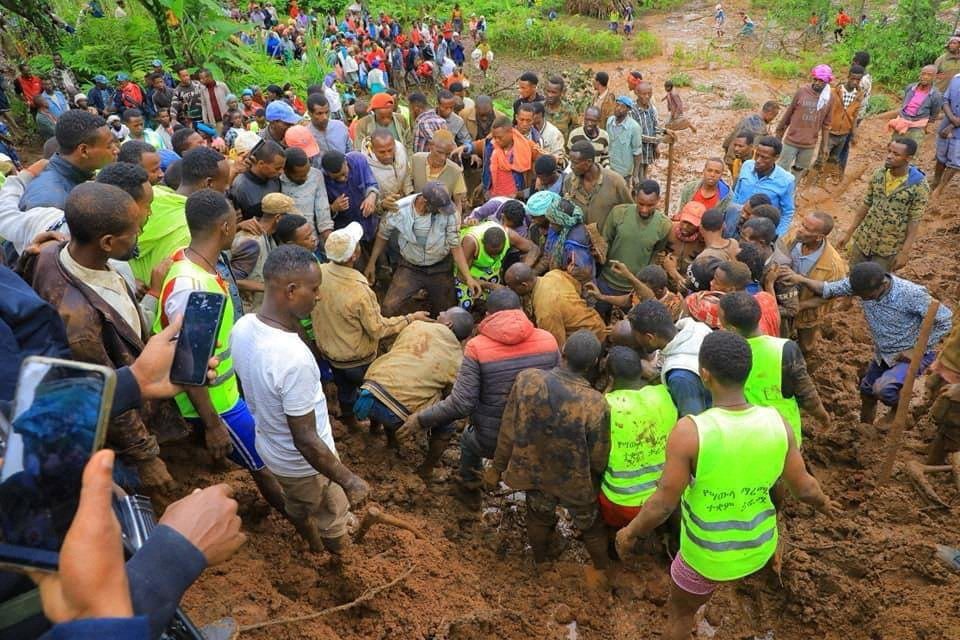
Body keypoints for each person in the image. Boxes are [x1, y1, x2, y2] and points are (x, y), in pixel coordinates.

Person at [615, 330, 840, 640]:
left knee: (680, 614)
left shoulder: (691, 431)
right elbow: (805, 489)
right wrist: (825, 504)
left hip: (706, 555)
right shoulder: (777, 422)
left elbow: (664, 504)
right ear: (746, 372)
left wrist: (630, 533)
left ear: (704, 374)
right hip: (759, 546)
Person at [25, 179, 180, 491]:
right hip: (110, 443)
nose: (140, 235)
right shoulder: (79, 323)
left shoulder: (51, 250)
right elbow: (106, 391)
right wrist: (145, 457)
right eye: (135, 230)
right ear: (107, 243)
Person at [230, 244, 369, 555]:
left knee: (298, 502)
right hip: (304, 466)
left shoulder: (243, 327)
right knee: (331, 512)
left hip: (270, 447)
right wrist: (350, 480)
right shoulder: (293, 359)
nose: (318, 296)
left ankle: (308, 532)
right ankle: (335, 551)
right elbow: (306, 439)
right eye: (315, 289)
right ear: (291, 291)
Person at [154, 188, 287, 514]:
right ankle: (314, 535)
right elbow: (190, 366)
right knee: (265, 467)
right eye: (235, 221)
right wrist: (213, 424)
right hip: (217, 402)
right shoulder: (198, 289)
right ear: (224, 228)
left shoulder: (184, 261)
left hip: (219, 393)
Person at [399, 288, 559, 508]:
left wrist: (420, 419)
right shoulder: (548, 340)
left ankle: (468, 489)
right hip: (539, 438)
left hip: (492, 440)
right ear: (521, 310)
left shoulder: (477, 347)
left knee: (468, 440)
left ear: (487, 316)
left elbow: (462, 403)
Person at [485, 330, 611, 573]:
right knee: (591, 526)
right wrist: (595, 480)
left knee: (538, 517)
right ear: (594, 364)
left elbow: (508, 428)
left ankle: (541, 564)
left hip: (534, 471)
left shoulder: (527, 380)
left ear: (562, 352)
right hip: (574, 480)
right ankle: (602, 570)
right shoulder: (595, 403)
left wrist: (496, 468)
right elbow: (599, 456)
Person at [786, 261, 953, 424]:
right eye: (858, 294)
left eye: (866, 295)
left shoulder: (910, 294)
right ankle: (864, 430)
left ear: (882, 285)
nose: (862, 298)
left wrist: (916, 350)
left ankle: (901, 412)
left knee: (884, 389)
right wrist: (801, 279)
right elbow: (828, 289)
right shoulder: (860, 285)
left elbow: (945, 319)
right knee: (867, 392)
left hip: (911, 354)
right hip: (884, 353)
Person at [314, 222, 429, 431]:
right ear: (354, 255)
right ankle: (375, 427)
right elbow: (378, 329)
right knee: (372, 391)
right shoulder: (359, 291)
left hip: (331, 355)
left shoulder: (318, 273)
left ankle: (351, 424)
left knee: (345, 391)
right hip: (358, 358)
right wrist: (411, 318)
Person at [357, 306, 474, 473]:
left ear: (448, 324)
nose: (439, 312)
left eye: (443, 313)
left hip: (367, 393)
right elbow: (451, 398)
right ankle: (426, 471)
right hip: (397, 415)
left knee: (393, 373)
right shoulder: (458, 359)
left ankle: (379, 433)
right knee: (447, 422)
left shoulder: (416, 326)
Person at [719, 291, 830, 445]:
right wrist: (823, 417)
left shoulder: (722, 354)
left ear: (730, 327)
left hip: (744, 438)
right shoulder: (785, 349)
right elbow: (806, 393)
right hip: (784, 435)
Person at [598, 346, 679, 529]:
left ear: (610, 378)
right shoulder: (664, 395)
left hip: (620, 501)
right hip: (662, 498)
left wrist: (608, 389)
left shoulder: (606, 405)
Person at [129, 146, 231, 284]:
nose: (227, 188)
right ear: (209, 183)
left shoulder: (152, 196)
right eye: (225, 183)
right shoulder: (194, 228)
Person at [367, 182, 469, 318]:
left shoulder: (450, 213)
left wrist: (468, 277)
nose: (442, 212)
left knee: (447, 313)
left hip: (440, 267)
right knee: (388, 308)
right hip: (410, 267)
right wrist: (371, 263)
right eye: (439, 209)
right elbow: (382, 235)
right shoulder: (398, 209)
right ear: (425, 202)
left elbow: (455, 247)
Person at [837, 137, 928, 271]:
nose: (889, 156)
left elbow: (914, 221)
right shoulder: (879, 175)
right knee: (854, 276)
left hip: (888, 248)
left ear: (908, 158)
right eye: (889, 151)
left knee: (875, 285)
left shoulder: (919, 186)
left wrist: (904, 253)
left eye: (896, 154)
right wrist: (848, 233)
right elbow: (866, 204)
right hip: (864, 240)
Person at [774, 212, 847, 352]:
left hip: (807, 312)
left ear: (819, 237)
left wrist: (799, 306)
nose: (800, 229)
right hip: (783, 300)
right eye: (802, 224)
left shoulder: (833, 265)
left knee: (806, 346)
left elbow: (828, 296)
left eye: (807, 229)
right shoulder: (793, 237)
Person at [629, 299, 713, 416]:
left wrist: (654, 377)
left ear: (650, 338)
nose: (635, 340)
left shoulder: (680, 376)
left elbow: (693, 420)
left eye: (636, 336)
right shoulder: (698, 328)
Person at [20, 110, 118, 210]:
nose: (116, 150)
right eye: (109, 145)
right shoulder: (51, 205)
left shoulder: (72, 178)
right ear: (84, 151)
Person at [599, 179, 671, 305]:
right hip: (607, 281)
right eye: (641, 204)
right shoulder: (619, 213)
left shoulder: (664, 225)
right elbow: (604, 243)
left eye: (650, 205)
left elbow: (656, 254)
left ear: (658, 200)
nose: (644, 210)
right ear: (635, 197)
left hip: (635, 288)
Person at [504, 261, 607, 347]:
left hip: (591, 340)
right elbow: (577, 287)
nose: (510, 290)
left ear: (524, 285)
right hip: (596, 323)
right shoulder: (554, 274)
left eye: (512, 288)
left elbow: (556, 345)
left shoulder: (545, 310)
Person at [230, 192, 292, 310]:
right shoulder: (252, 243)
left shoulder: (268, 236)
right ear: (278, 218)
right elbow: (231, 280)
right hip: (246, 311)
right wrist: (268, 288)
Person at [775, 65, 834, 180]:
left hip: (809, 144)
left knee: (798, 171)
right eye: (815, 79)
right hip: (792, 140)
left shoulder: (829, 98)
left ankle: (790, 193)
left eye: (821, 81)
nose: (817, 83)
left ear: (827, 82)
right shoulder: (802, 92)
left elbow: (826, 125)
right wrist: (779, 132)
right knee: (781, 169)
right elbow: (789, 113)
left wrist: (825, 146)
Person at [731, 135, 796, 236]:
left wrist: (776, 236)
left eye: (764, 158)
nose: (758, 160)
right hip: (736, 222)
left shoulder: (786, 180)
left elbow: (787, 213)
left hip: (759, 231)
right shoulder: (747, 165)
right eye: (757, 155)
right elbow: (737, 192)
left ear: (776, 157)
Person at [563, 140, 631, 230]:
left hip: (607, 240)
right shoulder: (569, 181)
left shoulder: (615, 182)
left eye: (575, 163)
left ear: (589, 162)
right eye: (571, 162)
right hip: (580, 240)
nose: (571, 166)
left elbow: (629, 212)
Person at [321, 150, 380, 243]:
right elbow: (321, 212)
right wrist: (333, 208)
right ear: (328, 174)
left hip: (370, 222)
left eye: (344, 174)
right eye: (336, 178)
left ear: (345, 162)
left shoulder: (358, 160)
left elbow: (371, 183)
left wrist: (371, 197)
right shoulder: (321, 179)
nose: (342, 179)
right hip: (347, 231)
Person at [280, 146, 333, 249]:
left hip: (312, 241)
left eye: (307, 173)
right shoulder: (277, 180)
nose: (306, 177)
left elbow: (323, 211)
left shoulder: (316, 176)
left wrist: (329, 240)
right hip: (288, 245)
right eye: (300, 176)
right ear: (286, 171)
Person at [925, 321, 960, 466]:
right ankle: (934, 449)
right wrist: (940, 365)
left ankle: (936, 462)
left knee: (954, 422)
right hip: (952, 368)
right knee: (943, 413)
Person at [481, 115, 538, 200]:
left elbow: (543, 161)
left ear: (510, 132)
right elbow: (487, 170)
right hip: (493, 196)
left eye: (500, 137)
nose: (496, 140)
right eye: (494, 137)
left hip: (516, 197)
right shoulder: (491, 145)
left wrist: (525, 193)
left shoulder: (526, 145)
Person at [411, 129, 468, 214]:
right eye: (439, 152)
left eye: (447, 154)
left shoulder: (455, 171)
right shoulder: (416, 160)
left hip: (441, 218)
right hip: (416, 215)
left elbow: (458, 203)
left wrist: (456, 223)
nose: (443, 158)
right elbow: (408, 188)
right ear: (430, 145)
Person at [824, 65, 865, 180]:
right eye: (853, 78)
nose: (855, 82)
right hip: (831, 131)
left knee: (834, 158)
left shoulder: (858, 96)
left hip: (844, 133)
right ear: (848, 77)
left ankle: (823, 179)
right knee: (823, 155)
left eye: (858, 80)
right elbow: (826, 111)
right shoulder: (835, 92)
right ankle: (813, 179)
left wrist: (853, 134)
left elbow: (854, 116)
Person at [229, 139, 284, 220]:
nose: (281, 172)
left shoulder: (274, 180)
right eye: (277, 168)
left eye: (282, 167)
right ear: (261, 164)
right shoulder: (240, 187)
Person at [722, 101, 780, 177]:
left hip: (730, 157)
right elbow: (755, 152)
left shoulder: (746, 119)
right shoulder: (761, 130)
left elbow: (729, 139)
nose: (772, 119)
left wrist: (727, 151)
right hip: (741, 162)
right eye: (774, 116)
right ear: (769, 113)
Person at [888, 66, 943, 144]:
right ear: (919, 75)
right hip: (902, 120)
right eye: (923, 74)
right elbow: (905, 102)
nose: (925, 77)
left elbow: (934, 112)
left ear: (934, 77)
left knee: (912, 149)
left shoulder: (936, 95)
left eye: (929, 75)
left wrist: (927, 124)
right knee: (894, 145)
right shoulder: (910, 88)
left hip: (918, 125)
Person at [931, 73, 960, 208]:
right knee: (941, 156)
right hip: (947, 123)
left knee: (955, 160)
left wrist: (953, 125)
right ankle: (935, 181)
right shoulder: (956, 78)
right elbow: (945, 100)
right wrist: (951, 118)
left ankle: (940, 188)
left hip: (954, 129)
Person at [629, 81, 668, 181]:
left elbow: (655, 127)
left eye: (649, 94)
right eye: (644, 94)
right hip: (636, 151)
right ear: (637, 93)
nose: (647, 96)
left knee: (644, 175)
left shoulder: (651, 108)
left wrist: (664, 133)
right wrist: (657, 140)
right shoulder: (632, 110)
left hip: (648, 151)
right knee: (637, 178)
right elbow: (636, 135)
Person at [606, 96, 644, 188]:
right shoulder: (610, 121)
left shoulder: (634, 127)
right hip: (609, 169)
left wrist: (635, 176)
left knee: (623, 197)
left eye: (622, 106)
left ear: (628, 110)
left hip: (623, 173)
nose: (618, 108)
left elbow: (637, 153)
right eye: (617, 105)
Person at [543, 75, 578, 142]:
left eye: (553, 92)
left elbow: (575, 132)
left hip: (561, 150)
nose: (550, 95)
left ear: (561, 93)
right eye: (548, 91)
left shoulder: (569, 111)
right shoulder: (539, 108)